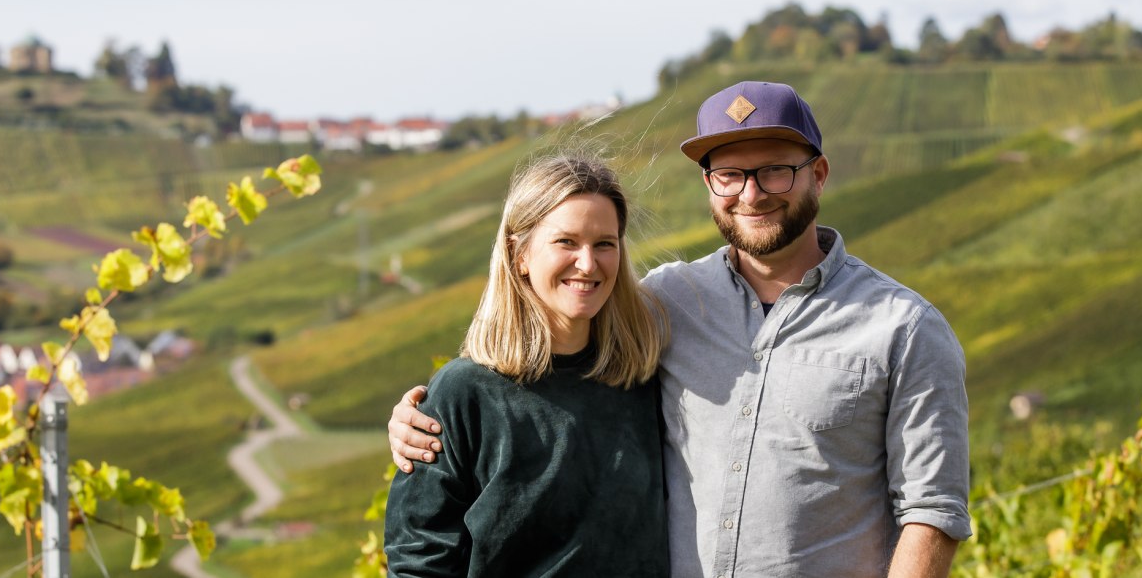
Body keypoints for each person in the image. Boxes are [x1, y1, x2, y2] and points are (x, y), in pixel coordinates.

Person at [390, 81, 971, 577]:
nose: (752, 192)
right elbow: (547, 341)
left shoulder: (905, 328)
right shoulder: (667, 302)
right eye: (731, 174)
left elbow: (932, 509)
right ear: (710, 186)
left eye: (775, 170)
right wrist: (424, 412)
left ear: (817, 174)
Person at [383, 154, 671, 576]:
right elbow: (418, 558)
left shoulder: (646, 377)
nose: (588, 263)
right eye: (566, 242)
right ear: (520, 254)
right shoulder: (465, 393)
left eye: (604, 244)